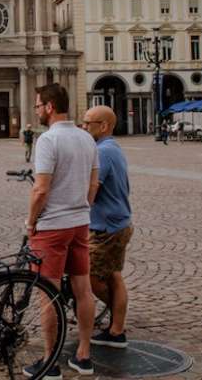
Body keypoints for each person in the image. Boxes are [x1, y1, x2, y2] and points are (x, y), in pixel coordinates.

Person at [23, 83, 99, 377]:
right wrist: (82, 207)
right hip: (80, 223)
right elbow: (94, 184)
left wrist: (31, 221)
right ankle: (83, 355)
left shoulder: (48, 140)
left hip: (52, 226)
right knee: (83, 290)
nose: (38, 111)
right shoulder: (86, 138)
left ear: (50, 107)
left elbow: (40, 189)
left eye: (38, 106)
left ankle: (50, 361)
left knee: (48, 293)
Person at [83, 105, 133, 349]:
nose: (84, 127)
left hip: (107, 227)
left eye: (88, 123)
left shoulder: (103, 152)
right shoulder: (112, 148)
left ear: (103, 126)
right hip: (116, 221)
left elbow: (92, 189)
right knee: (113, 274)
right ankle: (117, 327)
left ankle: (118, 326)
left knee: (91, 276)